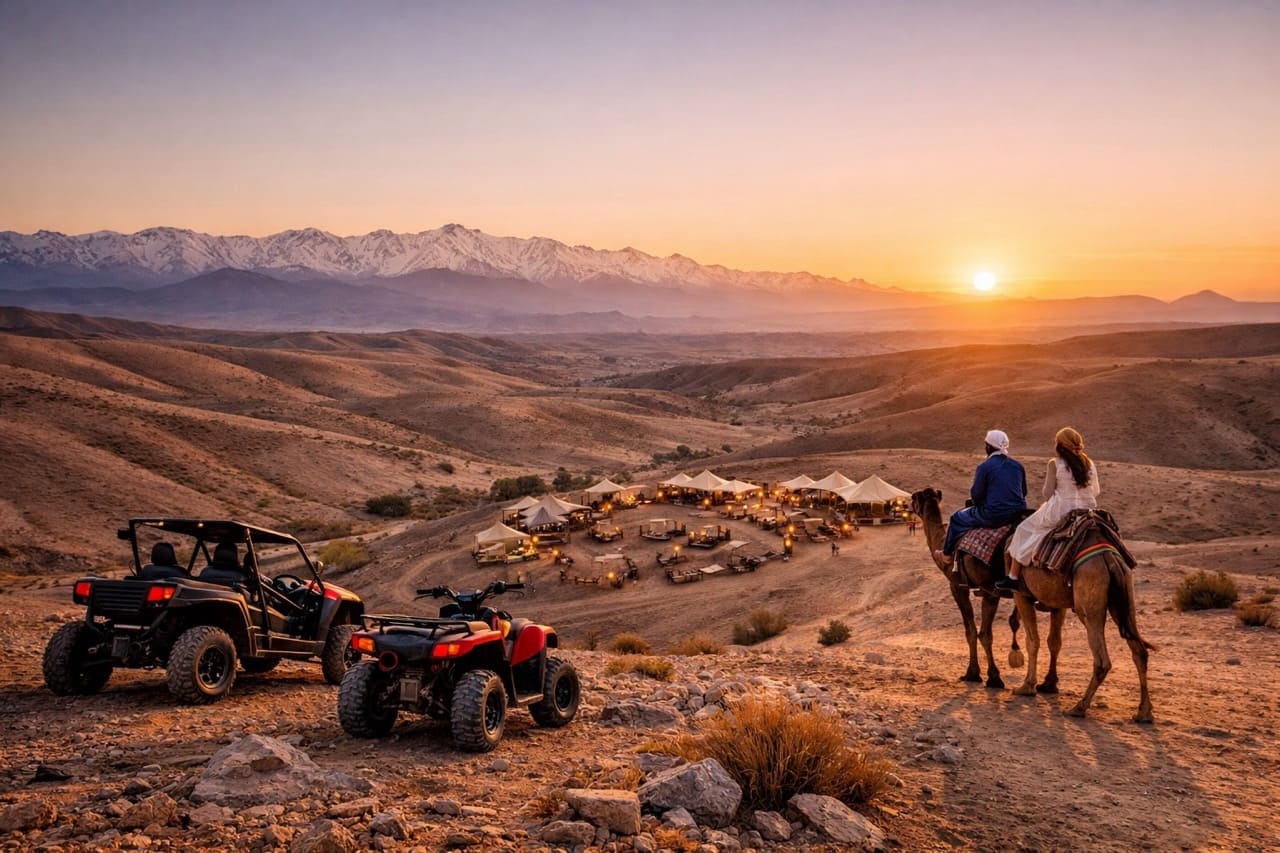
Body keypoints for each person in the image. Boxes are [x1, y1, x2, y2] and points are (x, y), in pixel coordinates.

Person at [997, 427, 1100, 589]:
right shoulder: (1089, 463)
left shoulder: (1055, 464)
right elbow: (1096, 491)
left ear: (1059, 444)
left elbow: (1047, 493)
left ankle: (1013, 576)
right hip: (1086, 511)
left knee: (1023, 530)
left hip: (1061, 511)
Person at [934, 429, 1028, 568]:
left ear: (988, 447)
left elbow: (976, 496)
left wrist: (982, 502)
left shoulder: (984, 466)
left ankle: (947, 554)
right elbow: (1024, 492)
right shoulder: (1018, 465)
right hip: (1018, 514)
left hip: (993, 515)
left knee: (955, 518)